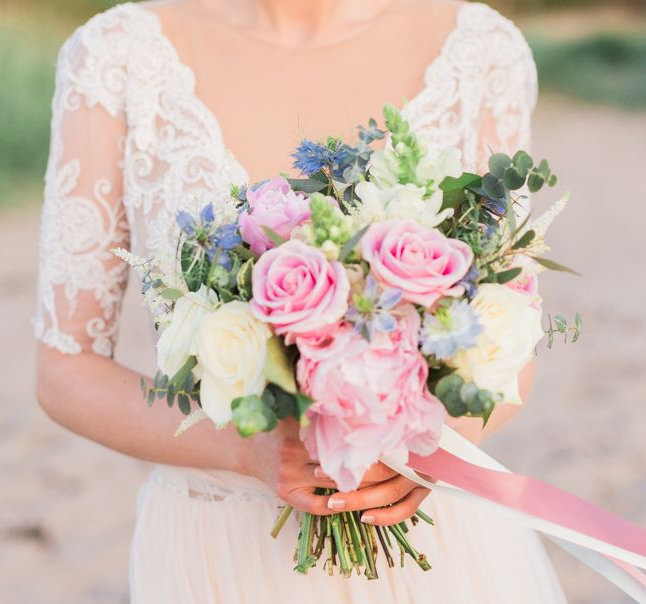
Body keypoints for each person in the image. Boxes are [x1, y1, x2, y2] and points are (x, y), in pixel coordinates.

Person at [34, 1, 567, 601]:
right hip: (219, 553)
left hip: (438, 543)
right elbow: (65, 367)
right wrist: (248, 447)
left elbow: (512, 341)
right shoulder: (115, 55)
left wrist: (422, 448)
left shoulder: (482, 51)